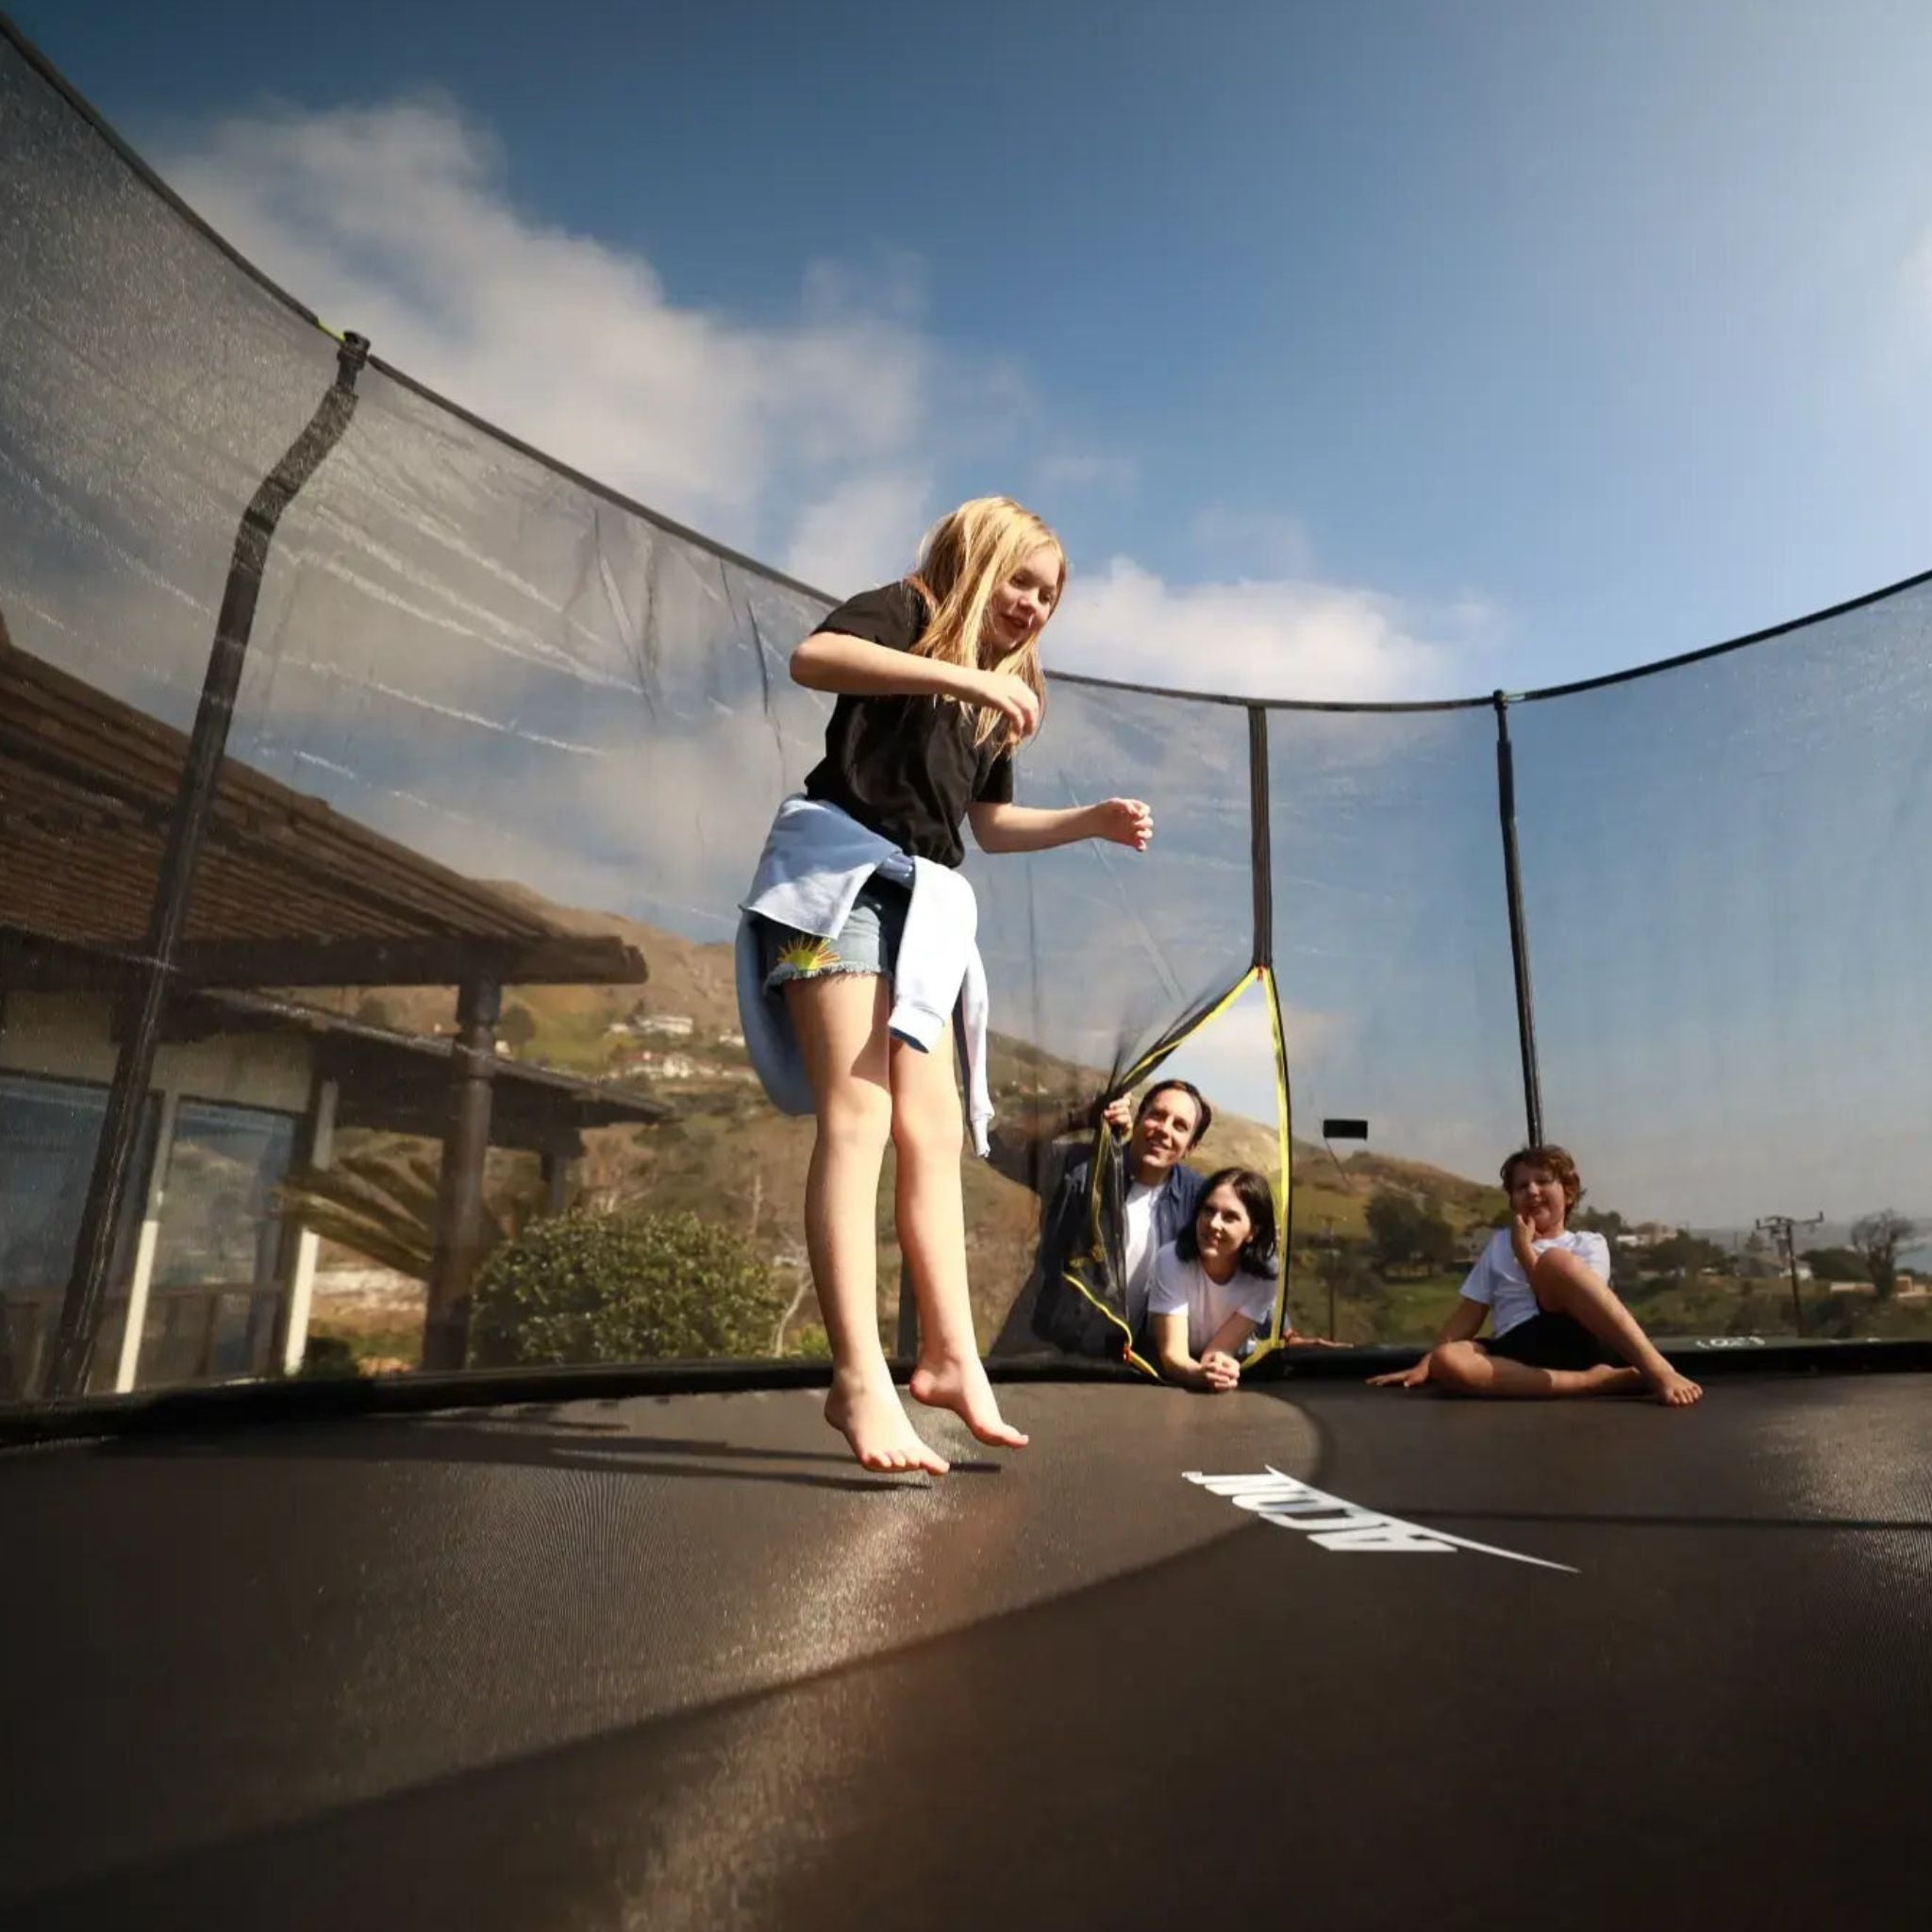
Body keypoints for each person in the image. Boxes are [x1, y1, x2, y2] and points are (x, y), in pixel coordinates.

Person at [738, 496, 1155, 1475]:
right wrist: (957, 667)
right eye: (1020, 580)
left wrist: (1085, 820)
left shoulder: (997, 693)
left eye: (1049, 594)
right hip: (833, 879)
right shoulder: (910, 610)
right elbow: (814, 658)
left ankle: (951, 1356)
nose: (1033, 605)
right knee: (858, 1119)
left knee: (932, 1135)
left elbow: (988, 823)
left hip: (924, 902)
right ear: (976, 560)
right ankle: (854, 1376)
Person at [1368, 1144, 1703, 1407]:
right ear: (1512, 1199)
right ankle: (1596, 1383)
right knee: (1448, 1360)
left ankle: (1657, 1369)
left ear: (1568, 1193)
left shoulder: (1587, 1243)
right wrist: (1429, 1363)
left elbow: (1561, 1299)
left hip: (1576, 1336)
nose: (1532, 1191)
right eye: (1521, 1186)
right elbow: (1467, 1316)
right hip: (1518, 1350)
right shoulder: (1498, 1245)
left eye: (1543, 1181)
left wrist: (1524, 1250)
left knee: (1557, 1263)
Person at [989, 1079, 1215, 1361]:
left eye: (1179, 1126)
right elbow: (998, 1147)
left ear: (1190, 1146)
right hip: (1038, 1353)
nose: (1164, 1130)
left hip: (1122, 1369)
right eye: (1157, 1115)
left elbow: (1239, 1255)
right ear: (1139, 1117)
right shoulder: (1082, 1168)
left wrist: (1279, 1329)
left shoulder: (1198, 1200)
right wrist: (1080, 1116)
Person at [1146, 1167, 1280, 1392]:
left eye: (1230, 1217)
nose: (1214, 1224)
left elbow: (1217, 1352)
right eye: (1208, 1211)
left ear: (1253, 1231)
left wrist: (1219, 1370)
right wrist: (1201, 1376)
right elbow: (1172, 1356)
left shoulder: (1266, 1276)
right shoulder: (1171, 1260)